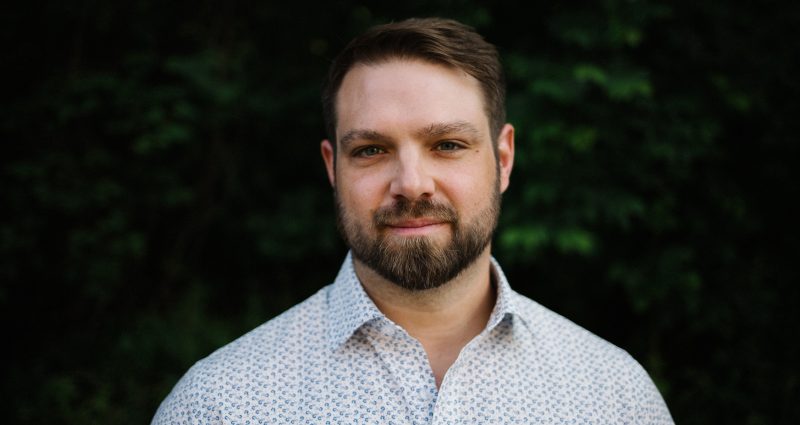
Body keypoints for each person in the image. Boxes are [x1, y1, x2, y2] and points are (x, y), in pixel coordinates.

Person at [152, 17, 674, 424]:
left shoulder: (614, 397)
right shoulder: (219, 405)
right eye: (373, 150)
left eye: (447, 145)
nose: (412, 183)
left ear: (504, 159)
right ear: (333, 167)